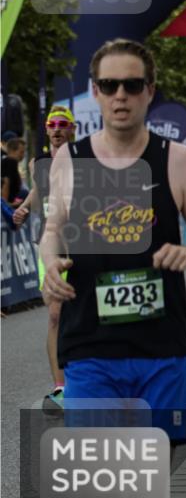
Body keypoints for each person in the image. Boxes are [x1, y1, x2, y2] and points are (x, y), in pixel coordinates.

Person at [39, 38, 186, 498]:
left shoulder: (176, 159)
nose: (121, 96)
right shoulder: (68, 158)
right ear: (95, 92)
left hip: (159, 348)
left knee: (146, 488)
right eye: (109, 86)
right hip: (90, 345)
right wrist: (50, 263)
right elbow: (52, 230)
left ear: (149, 91)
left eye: (132, 85)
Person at [12, 106, 78, 413]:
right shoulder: (40, 163)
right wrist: (24, 209)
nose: (56, 129)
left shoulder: (83, 159)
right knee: (54, 316)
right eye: (52, 124)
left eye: (63, 124)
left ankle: (88, 378)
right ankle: (61, 386)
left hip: (82, 247)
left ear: (72, 130)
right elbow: (39, 192)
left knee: (83, 314)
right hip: (49, 247)